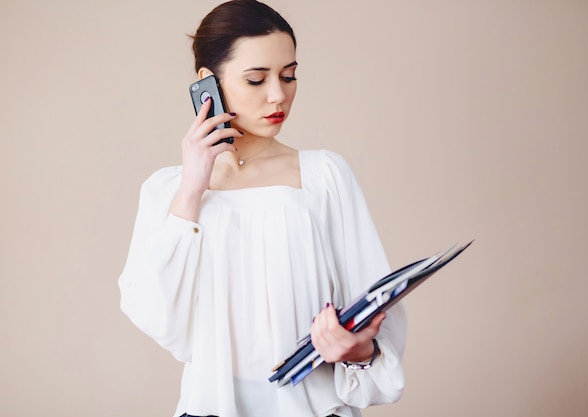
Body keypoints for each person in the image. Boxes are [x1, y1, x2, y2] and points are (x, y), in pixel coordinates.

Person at [118, 1, 407, 416]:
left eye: (289, 76)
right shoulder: (168, 190)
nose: (279, 94)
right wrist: (192, 189)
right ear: (208, 83)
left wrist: (361, 349)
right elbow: (155, 312)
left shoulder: (324, 175)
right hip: (210, 407)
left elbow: (379, 305)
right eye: (256, 79)